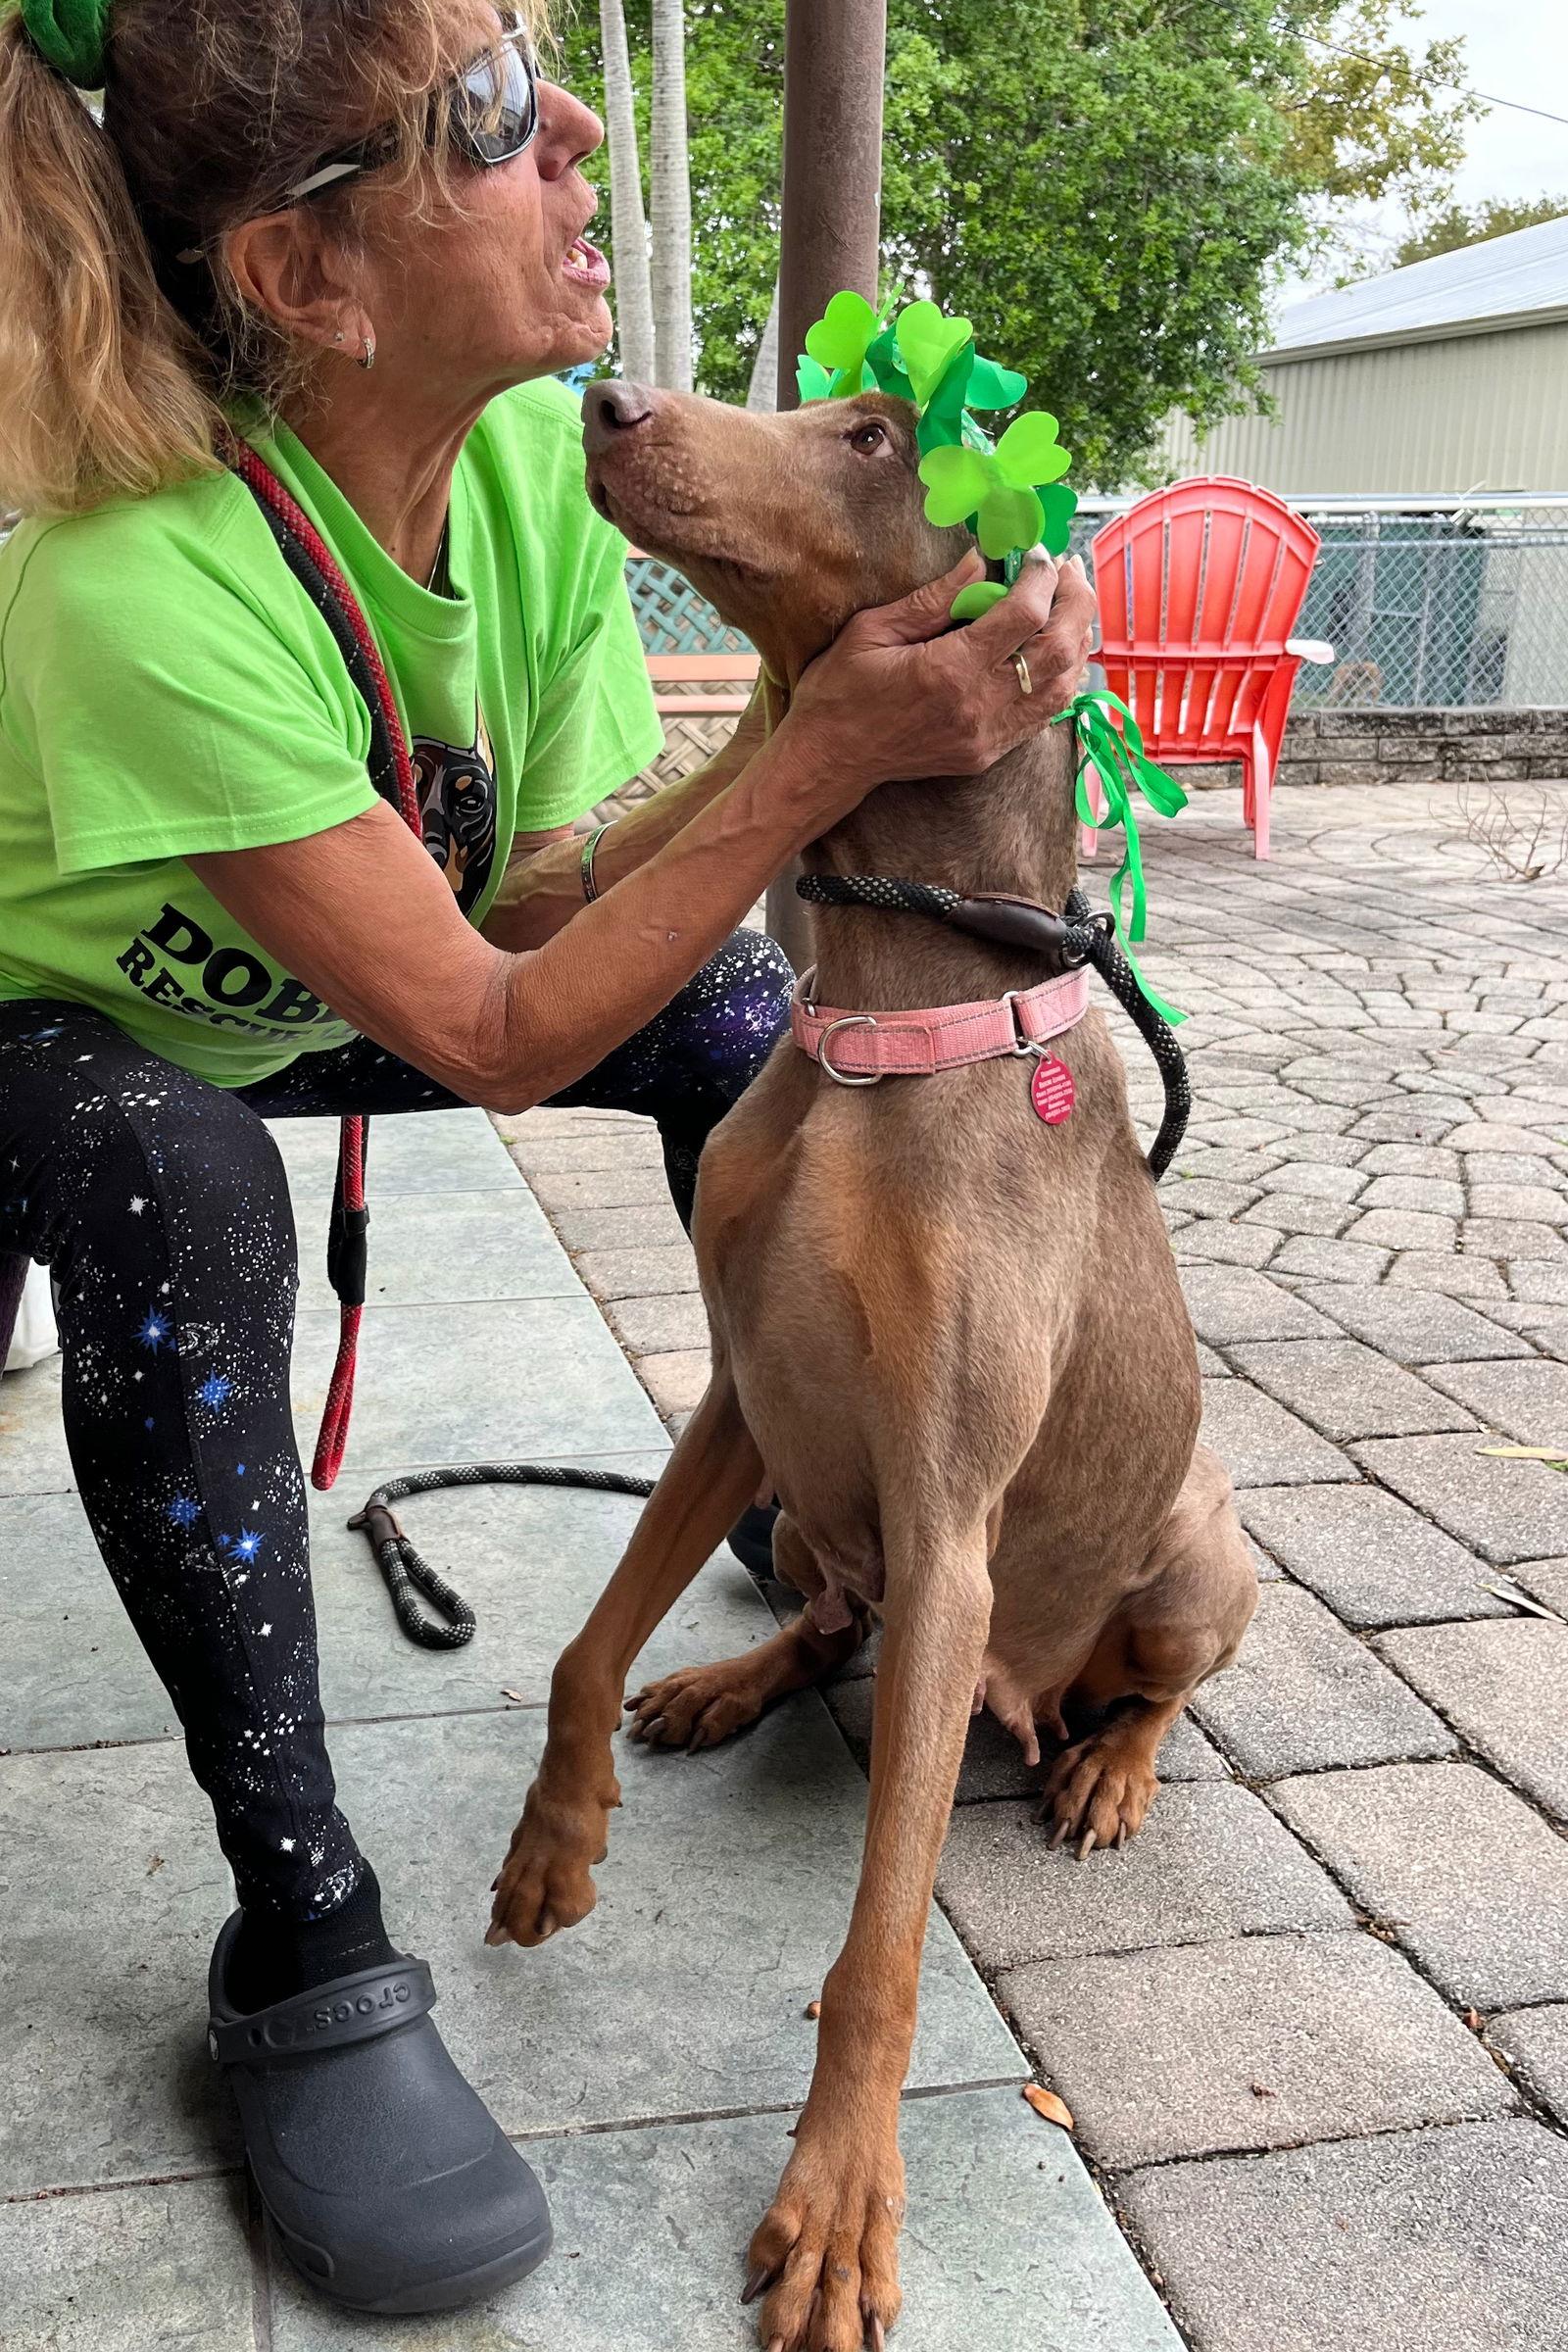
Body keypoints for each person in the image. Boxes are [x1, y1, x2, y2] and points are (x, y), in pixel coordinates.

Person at [0, 0, 1097, 2315]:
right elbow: (494, 1034)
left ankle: (841, 1485)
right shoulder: (133, 582)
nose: (576, 129)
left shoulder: (516, 471)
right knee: (174, 1186)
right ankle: (303, 1947)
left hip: (351, 985)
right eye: (494, 113)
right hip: (54, 1033)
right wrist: (814, 759)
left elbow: (547, 900)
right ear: (307, 277)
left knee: (751, 1026)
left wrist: (849, 709)